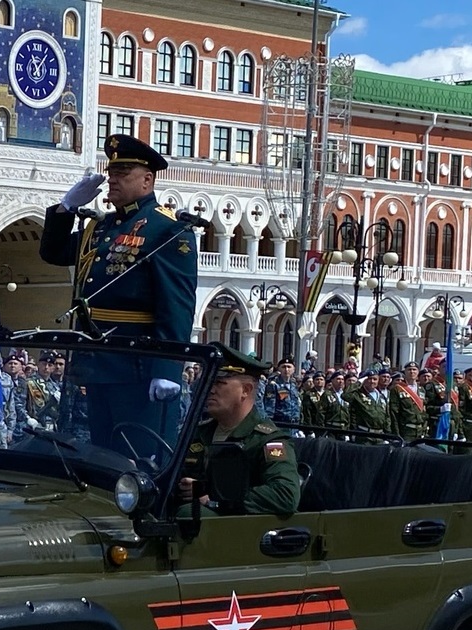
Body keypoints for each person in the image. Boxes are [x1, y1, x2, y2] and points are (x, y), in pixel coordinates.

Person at [38, 134, 197, 344]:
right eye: (111, 173)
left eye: (122, 173)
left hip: (132, 355)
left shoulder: (168, 229)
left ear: (147, 180)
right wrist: (66, 207)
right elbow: (54, 252)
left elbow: (176, 310)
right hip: (87, 353)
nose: (112, 179)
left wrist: (165, 373)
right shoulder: (101, 225)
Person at [177, 344, 300, 516]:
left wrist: (214, 497)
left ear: (246, 390)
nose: (210, 390)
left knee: (187, 514)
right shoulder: (200, 432)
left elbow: (285, 495)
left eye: (219, 383)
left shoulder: (267, 440)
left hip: (235, 527)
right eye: (209, 382)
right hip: (199, 527)